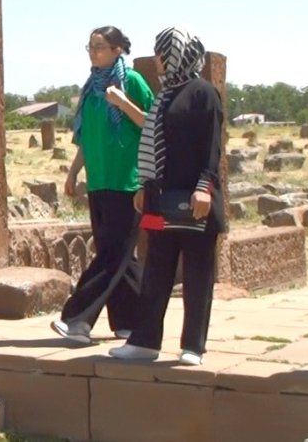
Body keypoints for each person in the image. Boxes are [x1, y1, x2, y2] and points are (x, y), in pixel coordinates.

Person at [109, 27, 224, 366]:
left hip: (194, 198)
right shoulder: (165, 94)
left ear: (177, 54)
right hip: (161, 197)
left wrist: (204, 187)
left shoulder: (203, 92)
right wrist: (146, 187)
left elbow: (212, 146)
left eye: (161, 52)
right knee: (156, 269)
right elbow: (154, 143)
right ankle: (145, 341)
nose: (158, 59)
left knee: (197, 275)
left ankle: (193, 346)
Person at [51, 26, 153, 344]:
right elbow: (87, 139)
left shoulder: (132, 81)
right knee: (122, 256)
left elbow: (152, 124)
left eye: (100, 46)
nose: (93, 52)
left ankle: (78, 318)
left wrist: (123, 104)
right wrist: (73, 173)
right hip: (99, 181)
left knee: (112, 255)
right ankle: (133, 322)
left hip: (127, 182)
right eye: (90, 47)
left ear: (118, 49)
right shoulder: (90, 89)